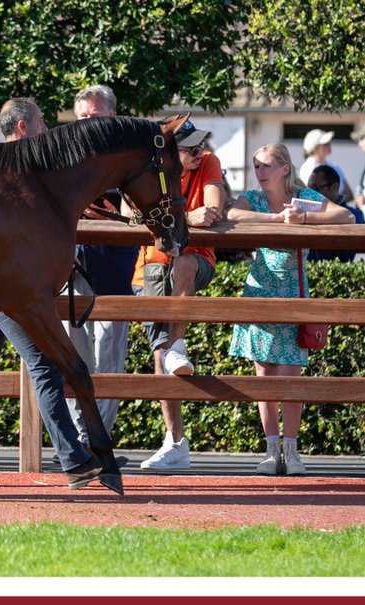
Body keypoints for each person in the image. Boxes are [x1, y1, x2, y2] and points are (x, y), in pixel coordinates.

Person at [0, 97, 108, 489]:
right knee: (45, 362)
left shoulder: (6, 167)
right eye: (41, 122)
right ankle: (74, 459)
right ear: (23, 128)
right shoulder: (15, 170)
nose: (47, 129)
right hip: (7, 290)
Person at [227, 143, 353, 475]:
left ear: (285, 168)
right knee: (264, 372)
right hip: (260, 290)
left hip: (295, 290)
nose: (260, 172)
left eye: (266, 165)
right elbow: (231, 214)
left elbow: (347, 215)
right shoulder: (252, 198)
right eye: (256, 166)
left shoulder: (303, 197)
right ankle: (271, 450)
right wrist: (274, 219)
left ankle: (292, 451)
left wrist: (304, 218)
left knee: (291, 374)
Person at [134, 119, 225, 473]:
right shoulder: (149, 167)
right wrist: (188, 215)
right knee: (160, 360)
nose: (199, 152)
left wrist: (185, 218)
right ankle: (175, 443)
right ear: (171, 151)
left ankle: (177, 346)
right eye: (190, 148)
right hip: (150, 267)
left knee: (185, 262)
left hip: (193, 259)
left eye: (200, 145)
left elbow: (214, 209)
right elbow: (132, 212)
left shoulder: (209, 162)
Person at [68, 85, 139, 438]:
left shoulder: (130, 155)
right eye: (82, 116)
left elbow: (137, 207)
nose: (87, 123)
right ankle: (79, 436)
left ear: (111, 116)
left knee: (109, 355)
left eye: (94, 116)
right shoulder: (63, 153)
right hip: (71, 261)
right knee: (72, 351)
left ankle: (99, 438)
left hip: (113, 259)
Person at [306, 165, 364, 260]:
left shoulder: (354, 215)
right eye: (308, 189)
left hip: (336, 273)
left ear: (334, 187)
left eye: (315, 188)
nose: (311, 193)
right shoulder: (301, 212)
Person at [298, 129, 353, 204]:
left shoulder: (335, 166)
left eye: (328, 142)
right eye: (324, 143)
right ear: (314, 148)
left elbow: (349, 194)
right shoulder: (307, 169)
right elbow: (312, 197)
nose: (329, 145)